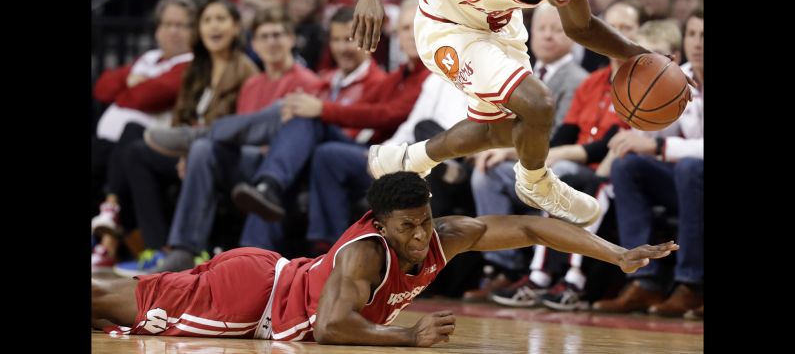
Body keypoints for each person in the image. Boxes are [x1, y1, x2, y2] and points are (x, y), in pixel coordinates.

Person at [92, 172, 678, 346]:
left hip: (264, 273)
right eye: (409, 228)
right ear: (380, 224)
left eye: (425, 221)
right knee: (119, 304)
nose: (422, 237)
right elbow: (329, 325)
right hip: (251, 301)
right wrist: (407, 336)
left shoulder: (441, 232)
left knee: (116, 298)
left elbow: (533, 225)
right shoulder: (366, 256)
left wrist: (617, 252)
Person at [352, 0, 655, 227]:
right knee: (538, 103)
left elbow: (582, 27)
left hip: (498, 21)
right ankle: (536, 184)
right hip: (445, 27)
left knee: (508, 129)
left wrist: (643, 56)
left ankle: (407, 159)